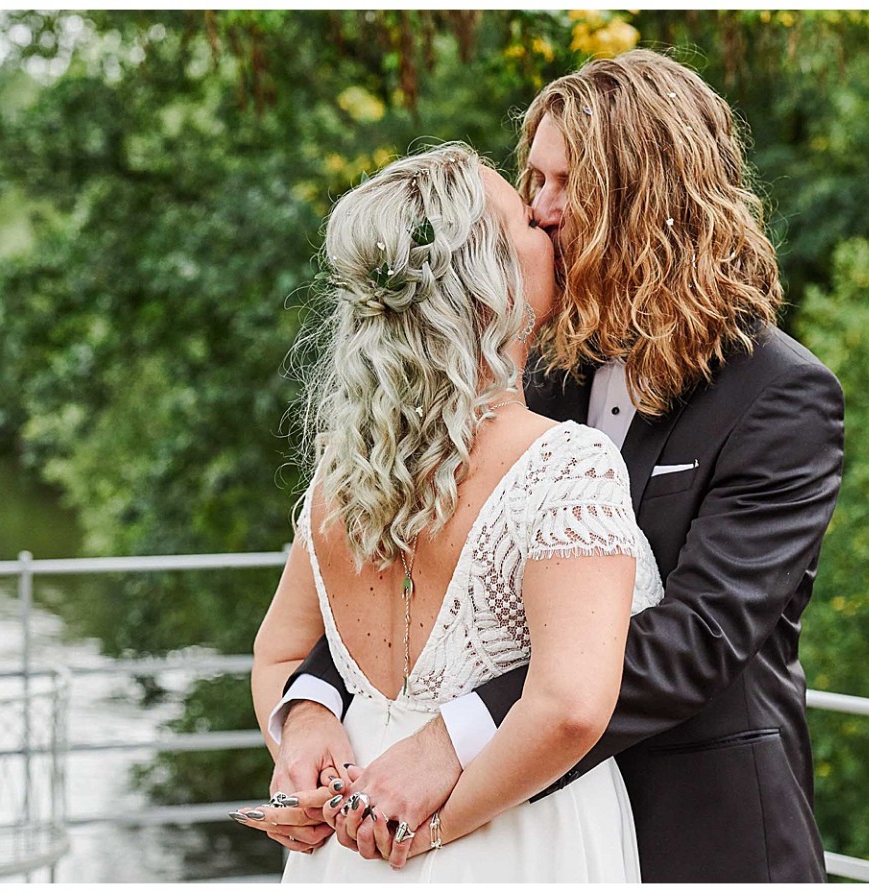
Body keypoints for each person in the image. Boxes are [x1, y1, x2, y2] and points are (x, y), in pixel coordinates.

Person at [248, 50, 845, 882]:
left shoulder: (778, 393)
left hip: (698, 826)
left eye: (568, 183)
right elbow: (427, 594)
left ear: (646, 197)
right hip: (510, 825)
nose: (541, 207)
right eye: (534, 179)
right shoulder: (529, 374)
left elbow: (698, 636)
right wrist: (314, 704)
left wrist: (455, 734)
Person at [243, 141, 660, 880]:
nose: (545, 218)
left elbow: (277, 654)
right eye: (525, 219)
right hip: (505, 832)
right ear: (492, 289)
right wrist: (435, 829)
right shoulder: (567, 464)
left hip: (353, 832)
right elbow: (570, 706)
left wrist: (301, 730)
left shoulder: (349, 470)